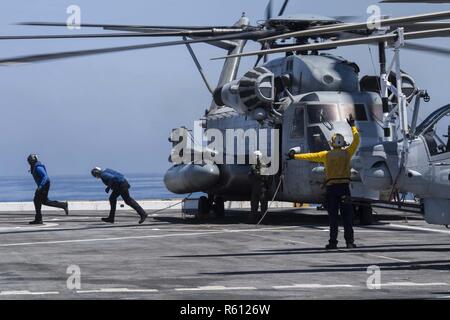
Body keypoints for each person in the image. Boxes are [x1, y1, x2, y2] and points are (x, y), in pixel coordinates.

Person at [289, 115, 360, 249]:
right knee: (347, 218)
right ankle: (349, 242)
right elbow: (356, 140)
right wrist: (352, 126)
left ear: (332, 143)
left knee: (333, 218)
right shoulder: (347, 153)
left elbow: (309, 156)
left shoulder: (326, 155)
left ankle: (333, 243)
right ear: (343, 142)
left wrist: (294, 156)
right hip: (345, 188)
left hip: (332, 189)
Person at [27, 154, 69, 225]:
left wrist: (40, 187)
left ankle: (39, 219)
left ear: (33, 160)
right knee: (41, 201)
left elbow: (45, 177)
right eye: (29, 161)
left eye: (30, 160)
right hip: (43, 185)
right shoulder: (34, 167)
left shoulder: (38, 167)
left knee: (39, 200)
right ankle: (63, 205)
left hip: (44, 185)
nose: (29, 162)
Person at [249, 151, 270, 220]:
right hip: (255, 188)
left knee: (263, 206)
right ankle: (252, 219)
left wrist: (254, 170)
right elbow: (250, 176)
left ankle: (264, 219)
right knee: (253, 205)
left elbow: (262, 175)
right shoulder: (253, 165)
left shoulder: (263, 165)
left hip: (262, 188)